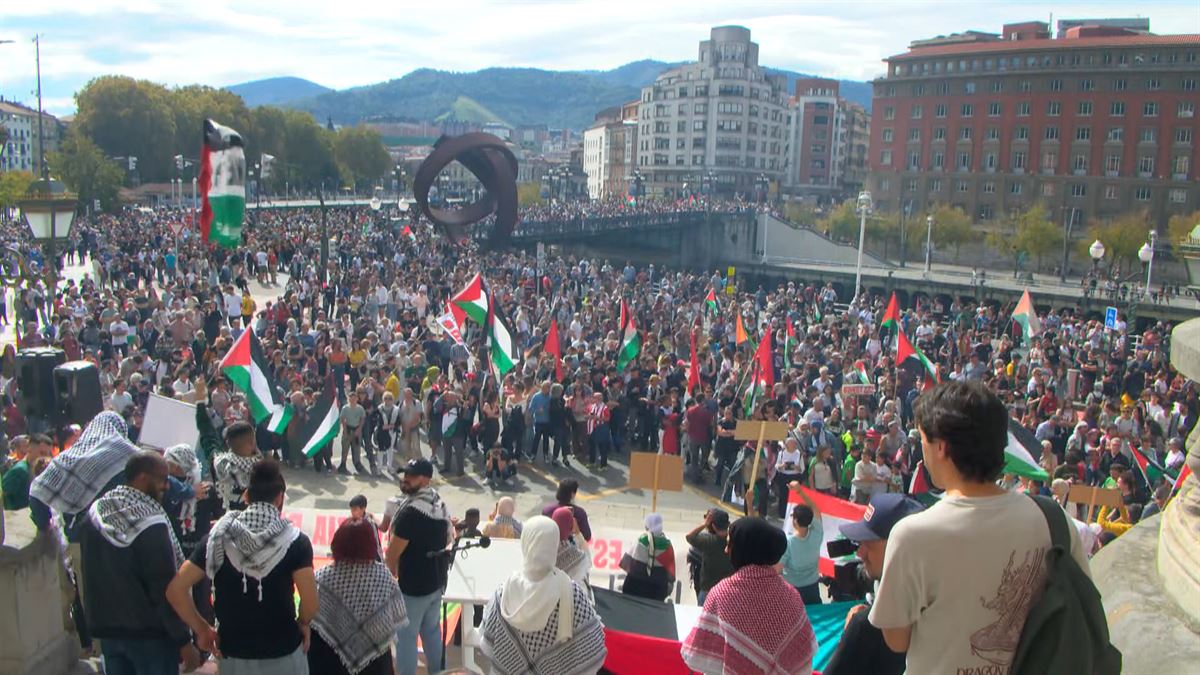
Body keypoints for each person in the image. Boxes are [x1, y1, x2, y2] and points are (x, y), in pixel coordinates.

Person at [869, 381, 1089, 674]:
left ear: (941, 447)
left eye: (922, 440)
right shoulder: (1054, 520)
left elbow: (897, 639)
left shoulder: (913, 535)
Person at [167, 458, 317, 674]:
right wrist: (303, 623)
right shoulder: (295, 541)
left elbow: (176, 590)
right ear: (279, 498)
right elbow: (311, 604)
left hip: (233, 656)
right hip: (283, 654)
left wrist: (202, 629)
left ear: (246, 496)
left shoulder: (218, 536)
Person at [79, 451, 201, 674]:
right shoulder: (149, 523)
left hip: (109, 632)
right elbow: (164, 588)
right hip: (150, 637)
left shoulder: (94, 515)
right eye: (163, 479)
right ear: (143, 478)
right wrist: (184, 641)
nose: (166, 486)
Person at [681, 517, 817, 675]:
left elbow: (696, 657)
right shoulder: (791, 595)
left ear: (743, 549)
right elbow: (803, 661)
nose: (726, 550)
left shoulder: (722, 593)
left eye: (730, 544)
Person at [479, 516, 607, 675]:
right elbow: (593, 646)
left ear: (525, 543)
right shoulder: (571, 592)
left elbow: (488, 640)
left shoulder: (504, 590)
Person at [822, 493, 925, 675]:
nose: (860, 554)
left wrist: (850, 637)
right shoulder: (943, 604)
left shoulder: (866, 626)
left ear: (899, 547)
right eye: (859, 544)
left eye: (868, 545)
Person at [309, 518, 408, 675]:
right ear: (370, 545)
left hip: (328, 660)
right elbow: (396, 617)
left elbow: (310, 615)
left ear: (337, 543)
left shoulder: (323, 577)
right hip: (375, 662)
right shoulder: (383, 575)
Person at [385, 458, 454, 675]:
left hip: (413, 588)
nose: (405, 479)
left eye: (411, 476)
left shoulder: (410, 514)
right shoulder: (439, 504)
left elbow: (392, 554)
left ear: (425, 480)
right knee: (431, 631)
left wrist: (390, 579)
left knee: (406, 637)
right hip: (436, 582)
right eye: (405, 474)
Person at [780, 484, 823, 605]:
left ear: (795, 521)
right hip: (813, 588)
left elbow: (777, 569)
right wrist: (800, 492)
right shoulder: (817, 533)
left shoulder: (788, 543)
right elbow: (815, 509)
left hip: (792, 591)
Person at [620, 512, 676, 601]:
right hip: (658, 591)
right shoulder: (667, 545)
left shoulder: (642, 540)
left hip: (635, 588)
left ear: (647, 526)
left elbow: (626, 563)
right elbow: (671, 574)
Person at [685, 508, 734, 605]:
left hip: (708, 592)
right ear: (728, 524)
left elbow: (689, 537)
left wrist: (705, 524)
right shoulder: (733, 540)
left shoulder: (709, 541)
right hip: (728, 592)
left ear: (713, 526)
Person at [213, 421, 264, 512]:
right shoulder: (260, 469)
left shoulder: (220, 462)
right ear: (252, 442)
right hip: (252, 517)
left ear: (228, 443)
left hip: (223, 516)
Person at [1, 432, 52, 510]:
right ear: (29, 448)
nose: (45, 457)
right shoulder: (20, 470)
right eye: (42, 453)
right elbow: (3, 495)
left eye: (48, 454)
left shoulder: (38, 470)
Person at [551, 506, 591, 587]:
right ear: (571, 525)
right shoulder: (575, 555)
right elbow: (588, 562)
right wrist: (578, 534)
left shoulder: (544, 546)